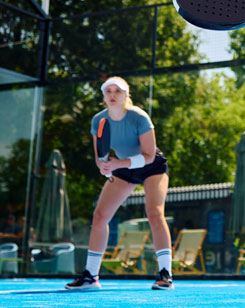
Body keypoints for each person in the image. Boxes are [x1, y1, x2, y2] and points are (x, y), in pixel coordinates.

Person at [65, 76, 173, 290]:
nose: (113, 95)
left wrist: (117, 164)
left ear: (126, 95)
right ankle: (91, 277)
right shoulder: (98, 121)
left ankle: (165, 275)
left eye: (118, 91)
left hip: (152, 166)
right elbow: (99, 156)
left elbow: (149, 155)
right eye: (108, 91)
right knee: (100, 216)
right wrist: (104, 166)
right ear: (104, 96)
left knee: (154, 213)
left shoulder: (139, 117)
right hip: (122, 167)